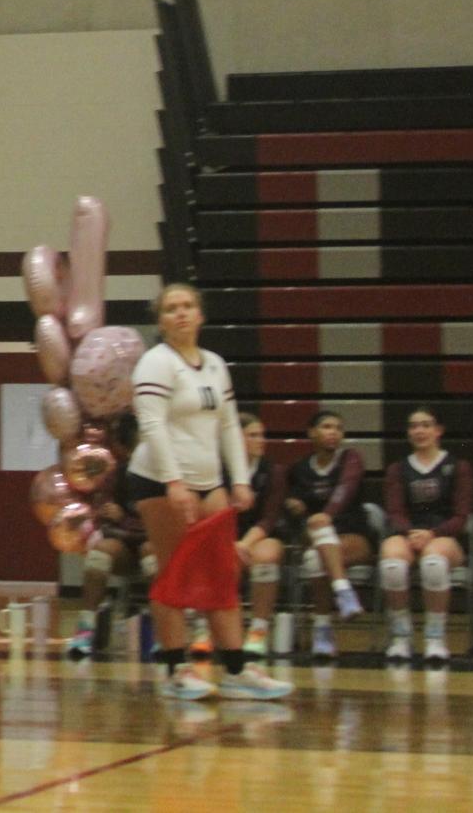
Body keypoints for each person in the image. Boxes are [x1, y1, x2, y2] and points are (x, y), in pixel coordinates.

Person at [127, 283, 293, 701]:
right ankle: (175, 668)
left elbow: (227, 425)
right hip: (160, 480)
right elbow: (153, 427)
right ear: (160, 320)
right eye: (170, 308)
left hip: (209, 482)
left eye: (187, 306)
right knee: (173, 574)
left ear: (201, 315)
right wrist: (173, 481)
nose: (180, 314)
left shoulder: (216, 364)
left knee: (223, 574)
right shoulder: (155, 363)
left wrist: (239, 479)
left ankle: (237, 669)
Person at [380, 406, 473, 665]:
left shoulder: (457, 467)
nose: (419, 430)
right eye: (413, 426)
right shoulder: (398, 469)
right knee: (391, 563)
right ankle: (401, 635)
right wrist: (411, 533)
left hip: (444, 535)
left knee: (433, 562)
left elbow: (461, 516)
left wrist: (432, 533)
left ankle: (435, 637)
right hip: (409, 533)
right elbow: (394, 511)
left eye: (425, 425)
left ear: (438, 431)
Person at [282, 409, 370, 661]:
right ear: (312, 432)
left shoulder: (351, 459)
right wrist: (294, 505)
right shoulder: (299, 469)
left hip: (353, 535)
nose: (333, 433)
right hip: (318, 539)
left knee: (317, 549)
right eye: (327, 427)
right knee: (315, 553)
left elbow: (346, 488)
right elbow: (291, 505)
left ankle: (324, 625)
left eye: (338, 428)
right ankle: (342, 596)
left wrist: (327, 514)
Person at [68, 456, 147, 660]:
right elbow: (104, 521)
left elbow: (164, 527)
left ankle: (160, 634)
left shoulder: (165, 474)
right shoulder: (116, 476)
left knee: (151, 553)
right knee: (99, 555)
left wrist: (125, 520)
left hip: (156, 545)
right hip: (124, 545)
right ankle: (86, 627)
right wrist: (132, 526)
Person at [229, 412, 286, 658]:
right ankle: (206, 628)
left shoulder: (274, 471)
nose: (261, 440)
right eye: (253, 435)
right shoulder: (221, 470)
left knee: (266, 557)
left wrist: (244, 543)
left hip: (261, 535)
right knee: (214, 555)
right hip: (227, 534)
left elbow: (270, 518)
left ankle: (258, 630)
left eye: (262, 435)